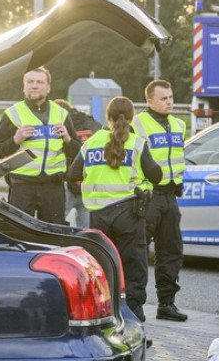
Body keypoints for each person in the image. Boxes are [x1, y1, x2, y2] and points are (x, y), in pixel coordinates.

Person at [68, 96, 161, 321]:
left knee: (103, 267)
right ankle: (133, 319)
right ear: (131, 118)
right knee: (133, 268)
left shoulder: (91, 143)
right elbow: (156, 175)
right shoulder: (137, 143)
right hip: (129, 213)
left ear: (107, 117)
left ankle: (106, 318)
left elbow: (71, 175)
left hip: (98, 217)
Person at [0, 67, 79, 224]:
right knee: (19, 233)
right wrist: (15, 139)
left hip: (53, 186)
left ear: (48, 88)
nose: (34, 85)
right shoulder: (13, 114)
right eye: (30, 82)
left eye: (39, 82)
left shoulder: (62, 114)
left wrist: (67, 138)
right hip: (22, 186)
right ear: (24, 86)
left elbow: (78, 152)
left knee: (53, 233)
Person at [134, 79, 188, 322]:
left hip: (170, 196)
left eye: (171, 97)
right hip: (148, 196)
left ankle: (166, 304)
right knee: (139, 251)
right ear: (149, 101)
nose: (169, 102)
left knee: (171, 251)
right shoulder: (137, 124)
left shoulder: (179, 124)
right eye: (163, 98)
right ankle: (135, 305)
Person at [54, 98, 101, 228]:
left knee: (56, 228)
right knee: (86, 230)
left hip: (66, 183)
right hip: (90, 183)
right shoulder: (93, 124)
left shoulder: (58, 123)